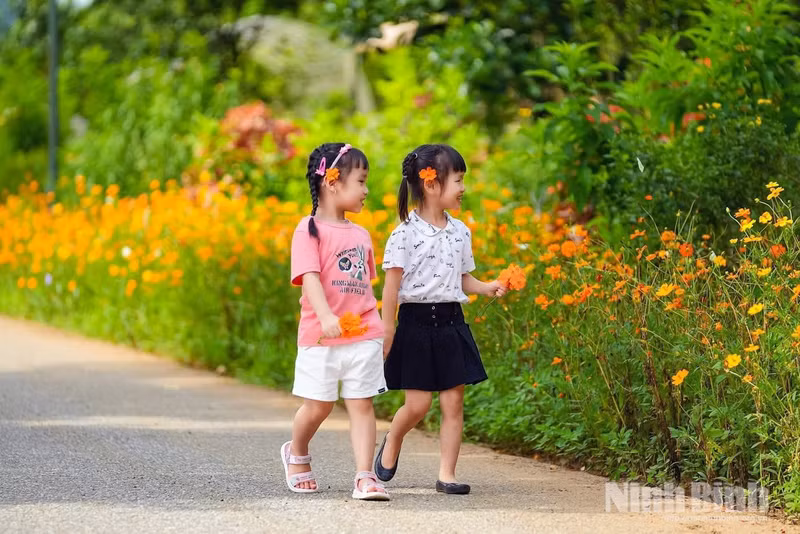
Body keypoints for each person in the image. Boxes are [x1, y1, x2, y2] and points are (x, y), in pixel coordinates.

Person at [375, 144, 507, 494]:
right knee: (418, 405)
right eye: (458, 180)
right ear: (431, 184)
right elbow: (391, 288)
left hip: (451, 324)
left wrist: (487, 287)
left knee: (453, 402)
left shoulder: (460, 231)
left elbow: (462, 278)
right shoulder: (404, 233)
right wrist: (387, 330)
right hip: (415, 326)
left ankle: (447, 474)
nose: (463, 188)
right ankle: (393, 437)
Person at [282, 142, 389, 500]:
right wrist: (326, 315)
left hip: (363, 332)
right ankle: (297, 451)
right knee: (319, 406)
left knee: (362, 403)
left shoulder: (361, 234)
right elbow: (310, 277)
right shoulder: (308, 229)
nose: (366, 190)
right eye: (361, 181)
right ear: (332, 182)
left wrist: (379, 328)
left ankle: (365, 476)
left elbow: (363, 285)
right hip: (321, 335)